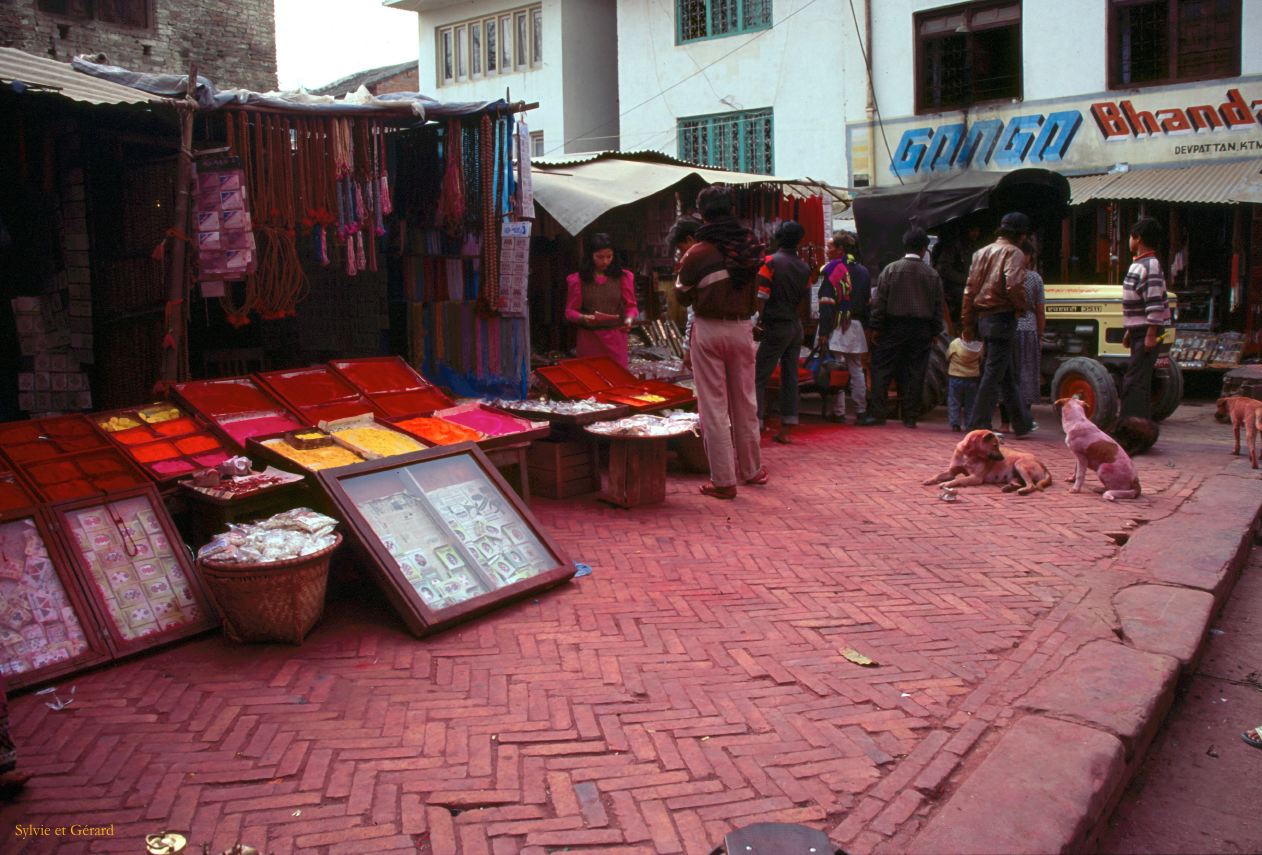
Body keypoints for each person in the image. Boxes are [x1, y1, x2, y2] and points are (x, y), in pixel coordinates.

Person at [675, 185, 766, 499]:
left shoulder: (697, 253)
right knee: (746, 402)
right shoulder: (752, 245)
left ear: (702, 214)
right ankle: (752, 470)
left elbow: (681, 295)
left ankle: (724, 480)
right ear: (732, 210)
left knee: (713, 407)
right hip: (742, 327)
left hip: (709, 329)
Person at [856, 228, 946, 428]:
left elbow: (880, 302)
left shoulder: (891, 270)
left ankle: (878, 413)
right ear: (924, 249)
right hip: (922, 329)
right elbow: (938, 306)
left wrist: (876, 327)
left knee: (882, 369)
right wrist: (934, 331)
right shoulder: (932, 275)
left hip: (892, 327)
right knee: (915, 372)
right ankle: (910, 416)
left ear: (905, 246)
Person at [962, 212, 1035, 436]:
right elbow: (1013, 285)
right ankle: (978, 422)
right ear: (1021, 235)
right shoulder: (1014, 253)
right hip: (1002, 316)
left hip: (983, 318)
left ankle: (1022, 422)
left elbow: (969, 290)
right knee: (993, 373)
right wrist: (1022, 306)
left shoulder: (981, 253)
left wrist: (967, 323)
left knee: (1004, 372)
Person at [753, 221, 810, 443]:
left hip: (776, 324)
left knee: (759, 376)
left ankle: (756, 424)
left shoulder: (770, 262)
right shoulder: (804, 267)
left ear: (778, 238)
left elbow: (761, 296)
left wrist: (758, 322)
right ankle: (786, 428)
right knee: (790, 377)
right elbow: (805, 302)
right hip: (795, 325)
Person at [1120, 217, 1171, 421]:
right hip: (1139, 330)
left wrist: (1150, 334)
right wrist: (1130, 330)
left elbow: (1154, 302)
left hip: (1147, 332)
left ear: (1138, 238)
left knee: (1135, 381)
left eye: (1130, 237)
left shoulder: (1150, 265)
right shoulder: (1140, 264)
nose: (1129, 241)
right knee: (1137, 379)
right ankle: (1137, 424)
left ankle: (1132, 425)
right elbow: (1140, 303)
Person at [564, 233, 637, 367]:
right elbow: (570, 312)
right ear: (590, 256)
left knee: (617, 375)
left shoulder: (623, 277)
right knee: (591, 376)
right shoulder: (578, 280)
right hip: (589, 339)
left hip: (616, 338)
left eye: (609, 257)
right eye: (600, 257)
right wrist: (583, 317)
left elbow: (631, 306)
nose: (605, 261)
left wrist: (629, 319)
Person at [817, 232, 867, 423]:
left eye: (830, 247)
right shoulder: (862, 271)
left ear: (840, 250)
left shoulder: (832, 269)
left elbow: (827, 303)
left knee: (836, 368)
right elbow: (866, 302)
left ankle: (839, 412)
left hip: (837, 324)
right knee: (856, 369)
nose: (827, 250)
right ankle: (861, 411)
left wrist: (823, 331)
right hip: (856, 324)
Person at [999, 239, 1046, 431]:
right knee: (1027, 375)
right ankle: (1024, 421)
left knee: (1007, 375)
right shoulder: (1035, 279)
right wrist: (1041, 334)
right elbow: (1040, 310)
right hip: (1028, 330)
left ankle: (1004, 423)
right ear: (1028, 256)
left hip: (1008, 327)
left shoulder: (1004, 276)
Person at [668, 217, 702, 371]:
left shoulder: (696, 263)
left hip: (709, 334)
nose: (682, 253)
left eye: (681, 248)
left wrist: (687, 348)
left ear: (690, 239)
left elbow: (693, 312)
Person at [934, 222, 983, 331]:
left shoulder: (973, 247)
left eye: (977, 230)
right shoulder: (953, 247)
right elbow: (943, 269)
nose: (975, 233)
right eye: (972, 230)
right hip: (953, 286)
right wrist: (965, 279)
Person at [946, 334, 983, 432]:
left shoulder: (955, 343)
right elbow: (981, 360)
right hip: (972, 378)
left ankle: (955, 424)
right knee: (970, 403)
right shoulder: (980, 346)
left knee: (954, 402)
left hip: (955, 376)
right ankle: (969, 424)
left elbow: (948, 356)